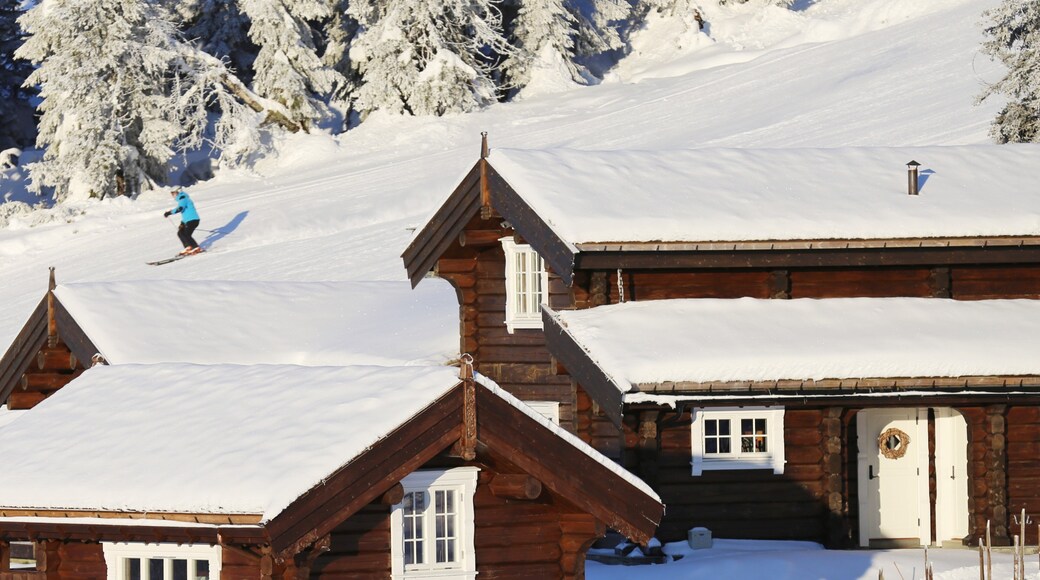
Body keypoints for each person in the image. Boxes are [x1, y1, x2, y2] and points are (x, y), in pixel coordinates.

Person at [163, 189, 203, 255]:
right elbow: (186, 213)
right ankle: (188, 247)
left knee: (187, 234)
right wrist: (182, 223)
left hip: (193, 220)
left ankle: (196, 247)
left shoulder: (183, 199)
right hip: (188, 221)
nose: (173, 195)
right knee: (180, 233)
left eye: (174, 193)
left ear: (178, 192)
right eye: (172, 194)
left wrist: (169, 212)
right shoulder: (182, 199)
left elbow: (180, 208)